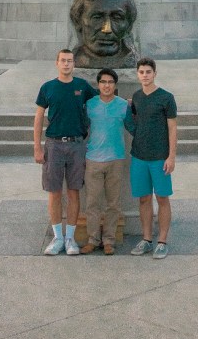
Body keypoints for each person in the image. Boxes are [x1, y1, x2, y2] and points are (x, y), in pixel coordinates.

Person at [34, 48, 97, 256]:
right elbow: (39, 117)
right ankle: (57, 237)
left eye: (70, 61)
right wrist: (37, 146)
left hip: (77, 145)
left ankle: (70, 238)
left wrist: (129, 103)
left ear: (74, 64)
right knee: (54, 192)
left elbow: (102, 101)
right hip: (54, 145)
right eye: (63, 60)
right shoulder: (48, 87)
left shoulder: (82, 86)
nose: (67, 64)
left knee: (73, 191)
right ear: (57, 63)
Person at [125, 57, 177, 260]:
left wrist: (171, 157)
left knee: (162, 198)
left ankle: (162, 241)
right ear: (137, 75)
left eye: (148, 72)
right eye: (141, 72)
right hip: (139, 156)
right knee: (144, 199)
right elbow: (135, 119)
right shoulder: (136, 97)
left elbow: (172, 129)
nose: (145, 75)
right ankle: (147, 239)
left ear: (155, 73)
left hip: (160, 157)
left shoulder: (166, 98)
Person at [80, 67, 129, 256]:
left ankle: (109, 240)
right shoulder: (90, 105)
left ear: (115, 85)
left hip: (116, 159)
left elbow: (133, 127)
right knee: (92, 203)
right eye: (103, 82)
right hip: (93, 159)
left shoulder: (123, 105)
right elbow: (81, 127)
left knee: (113, 204)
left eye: (110, 82)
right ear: (98, 84)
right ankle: (93, 239)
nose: (107, 85)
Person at [70, 0, 137, 67]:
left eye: (116, 17)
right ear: (77, 21)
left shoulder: (132, 61)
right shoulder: (70, 61)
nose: (107, 29)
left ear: (129, 25)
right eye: (97, 17)